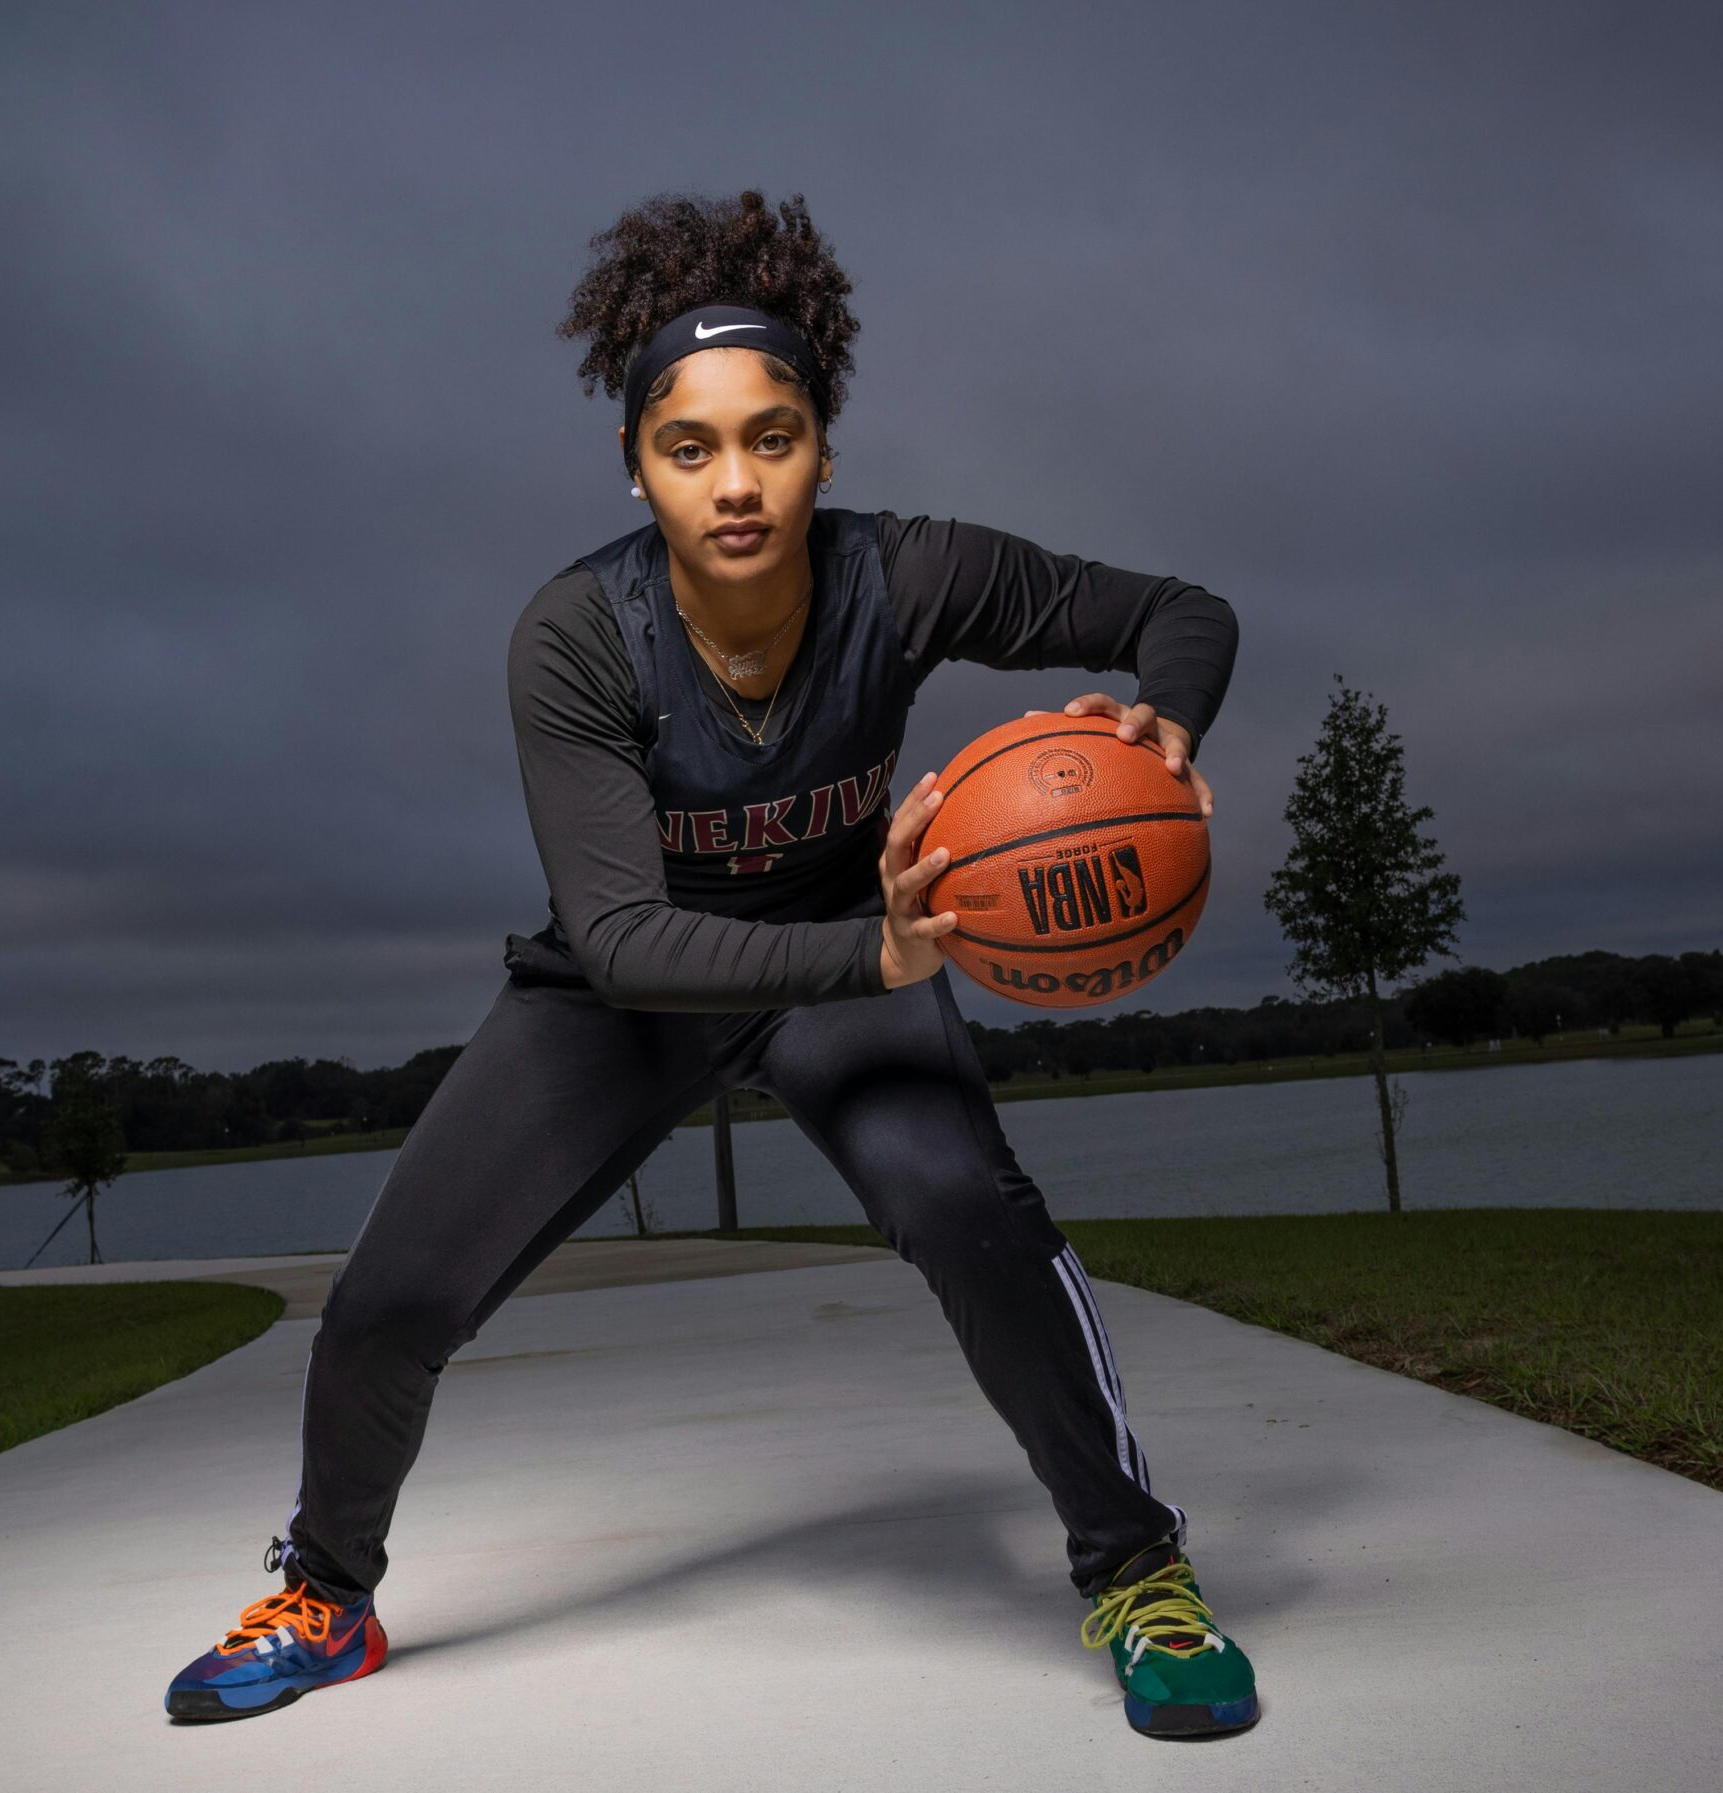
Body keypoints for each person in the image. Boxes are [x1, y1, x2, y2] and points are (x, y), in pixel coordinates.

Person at [165, 189, 1253, 1741]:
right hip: (635, 993)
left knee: (970, 1209)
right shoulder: (577, 636)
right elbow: (618, 938)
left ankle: (1137, 1571)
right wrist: (876, 948)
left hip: (840, 972)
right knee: (388, 1300)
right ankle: (328, 1593)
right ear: (636, 463)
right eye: (691, 447)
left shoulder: (904, 575)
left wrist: (1166, 719)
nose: (736, 483)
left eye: (775, 436)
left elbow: (1178, 611)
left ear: (824, 445)